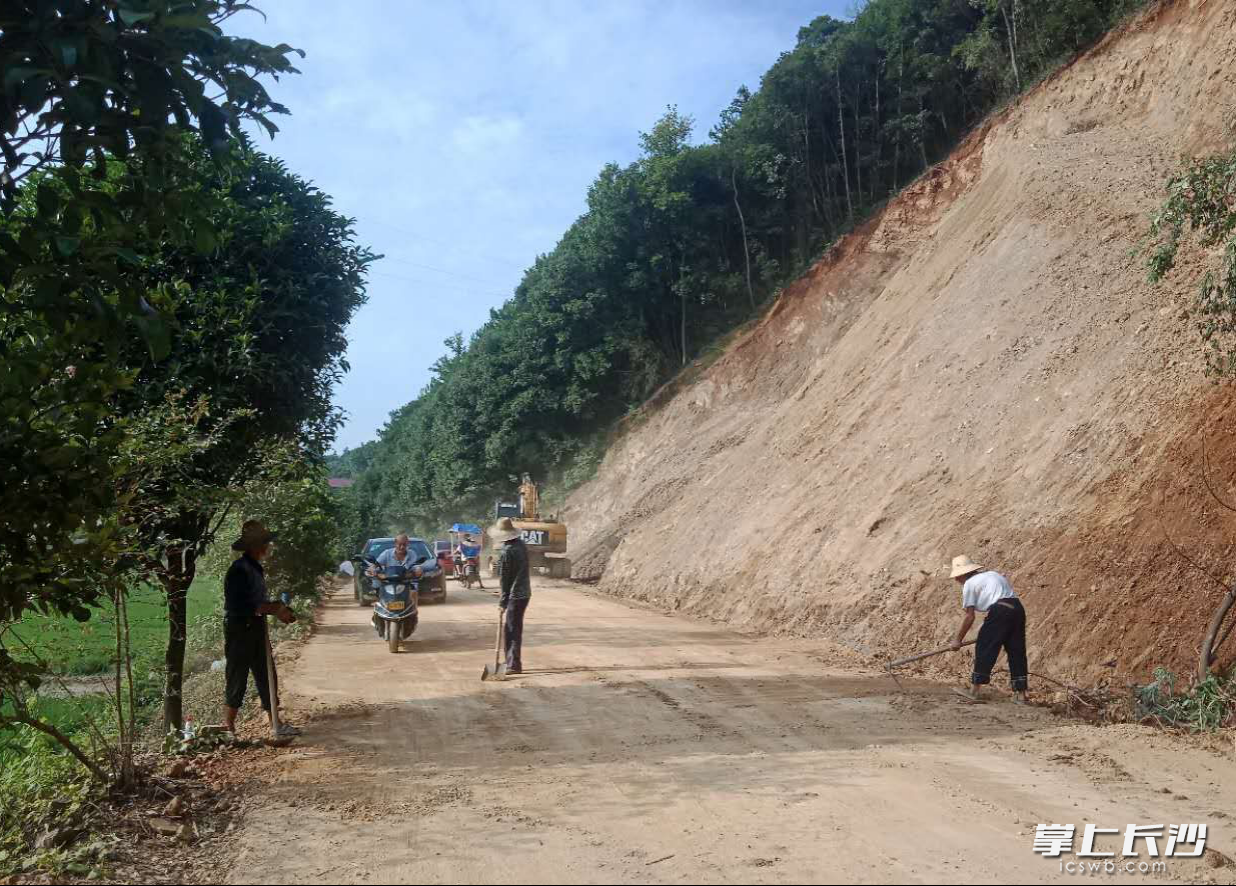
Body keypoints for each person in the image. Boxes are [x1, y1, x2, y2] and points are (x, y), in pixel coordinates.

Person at [222, 520, 300, 736]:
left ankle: (275, 722)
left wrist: (277, 607)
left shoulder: (254, 568)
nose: (268, 547)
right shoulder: (239, 570)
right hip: (239, 628)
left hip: (255, 626)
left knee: (267, 675)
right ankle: (228, 727)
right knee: (237, 675)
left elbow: (258, 601)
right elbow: (243, 604)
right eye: (265, 543)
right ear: (256, 546)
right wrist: (274, 609)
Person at [948, 555, 1028, 704]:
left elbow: (969, 616)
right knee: (1016, 650)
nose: (956, 580)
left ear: (964, 574)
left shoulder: (969, 584)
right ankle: (1021, 694)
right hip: (1017, 609)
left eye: (957, 576)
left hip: (999, 610)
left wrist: (957, 640)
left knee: (985, 646)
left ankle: (974, 690)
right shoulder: (992, 574)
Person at [490, 517, 530, 674]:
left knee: (511, 629)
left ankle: (513, 664)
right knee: (515, 628)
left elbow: (505, 581)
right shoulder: (521, 545)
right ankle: (513, 662)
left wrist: (502, 602)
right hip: (525, 593)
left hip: (515, 594)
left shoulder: (507, 552)